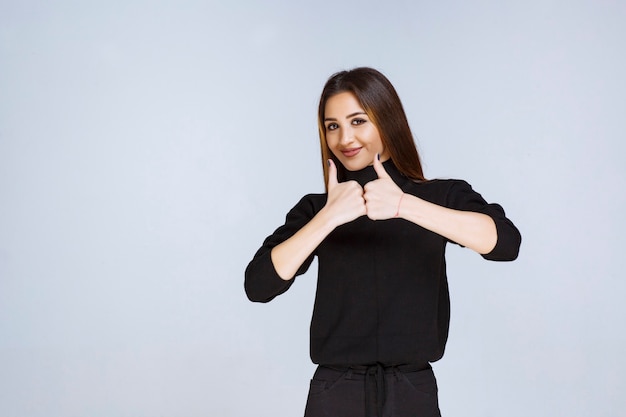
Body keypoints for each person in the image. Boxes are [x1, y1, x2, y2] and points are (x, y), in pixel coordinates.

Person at [244, 67, 521, 417]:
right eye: (333, 126)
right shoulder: (318, 208)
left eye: (358, 121)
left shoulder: (440, 194)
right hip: (334, 391)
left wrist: (404, 205)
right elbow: (258, 284)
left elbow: (505, 243)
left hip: (411, 390)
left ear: (387, 120)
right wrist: (328, 218)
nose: (345, 137)